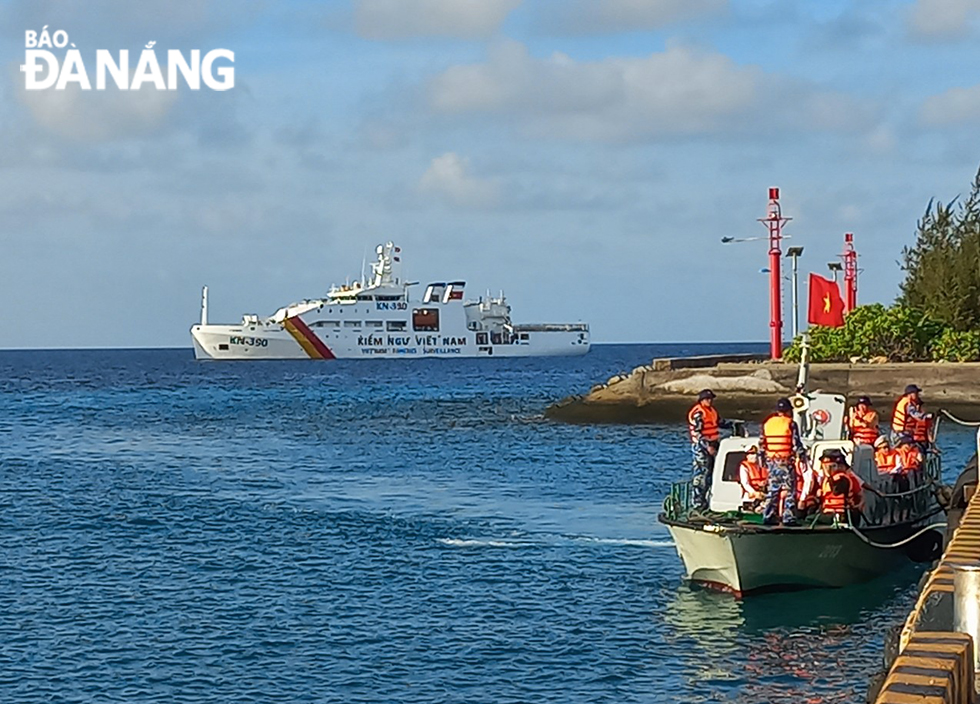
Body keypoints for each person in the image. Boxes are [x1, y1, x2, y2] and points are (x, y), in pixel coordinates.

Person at [761, 397, 806, 526]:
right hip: (785, 462)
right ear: (788, 411)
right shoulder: (790, 423)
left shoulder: (767, 423)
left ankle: (768, 515)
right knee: (790, 490)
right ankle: (788, 518)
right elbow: (796, 443)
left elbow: (761, 444)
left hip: (771, 462)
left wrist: (763, 461)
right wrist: (802, 455)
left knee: (773, 490)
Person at [687, 389, 732, 511]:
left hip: (714, 443)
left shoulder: (711, 411)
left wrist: (733, 424)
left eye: (711, 399)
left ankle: (707, 499)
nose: (710, 401)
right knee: (701, 473)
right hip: (701, 447)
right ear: (701, 400)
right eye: (707, 399)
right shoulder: (698, 413)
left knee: (713, 472)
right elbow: (697, 433)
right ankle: (697, 502)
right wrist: (707, 446)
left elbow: (719, 422)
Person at [818, 448, 865, 524]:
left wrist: (829, 476)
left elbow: (836, 491)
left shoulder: (841, 478)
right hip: (830, 512)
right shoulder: (828, 479)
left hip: (841, 515)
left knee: (808, 520)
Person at [738, 446, 768, 512]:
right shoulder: (744, 466)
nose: (754, 456)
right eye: (751, 454)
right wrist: (754, 493)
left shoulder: (760, 466)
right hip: (750, 499)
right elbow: (745, 483)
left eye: (755, 454)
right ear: (747, 456)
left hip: (762, 497)